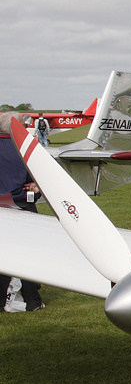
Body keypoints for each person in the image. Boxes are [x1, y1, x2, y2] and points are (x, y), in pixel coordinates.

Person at [0, 112, 44, 311]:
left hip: (5, 206)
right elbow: (37, 178)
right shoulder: (25, 147)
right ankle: (32, 300)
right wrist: (35, 188)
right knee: (27, 255)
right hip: (23, 205)